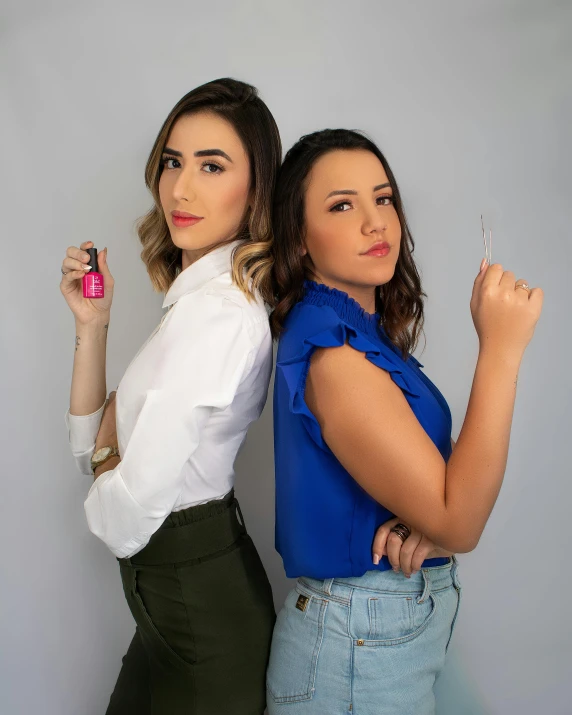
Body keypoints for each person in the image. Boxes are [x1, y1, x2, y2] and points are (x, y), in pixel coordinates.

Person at [266, 128, 543, 714]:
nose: (376, 223)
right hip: (358, 641)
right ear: (299, 235)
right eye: (343, 205)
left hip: (384, 630)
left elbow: (442, 504)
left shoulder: (364, 336)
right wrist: (501, 348)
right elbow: (460, 519)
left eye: (384, 198)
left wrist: (431, 518)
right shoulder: (334, 353)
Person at [60, 78, 281, 715]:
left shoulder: (219, 315)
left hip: (203, 615)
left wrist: (107, 461)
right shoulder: (191, 305)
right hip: (169, 608)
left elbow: (123, 521)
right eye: (172, 162)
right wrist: (92, 325)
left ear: (257, 186)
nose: (180, 188)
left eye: (212, 165)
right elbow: (89, 447)